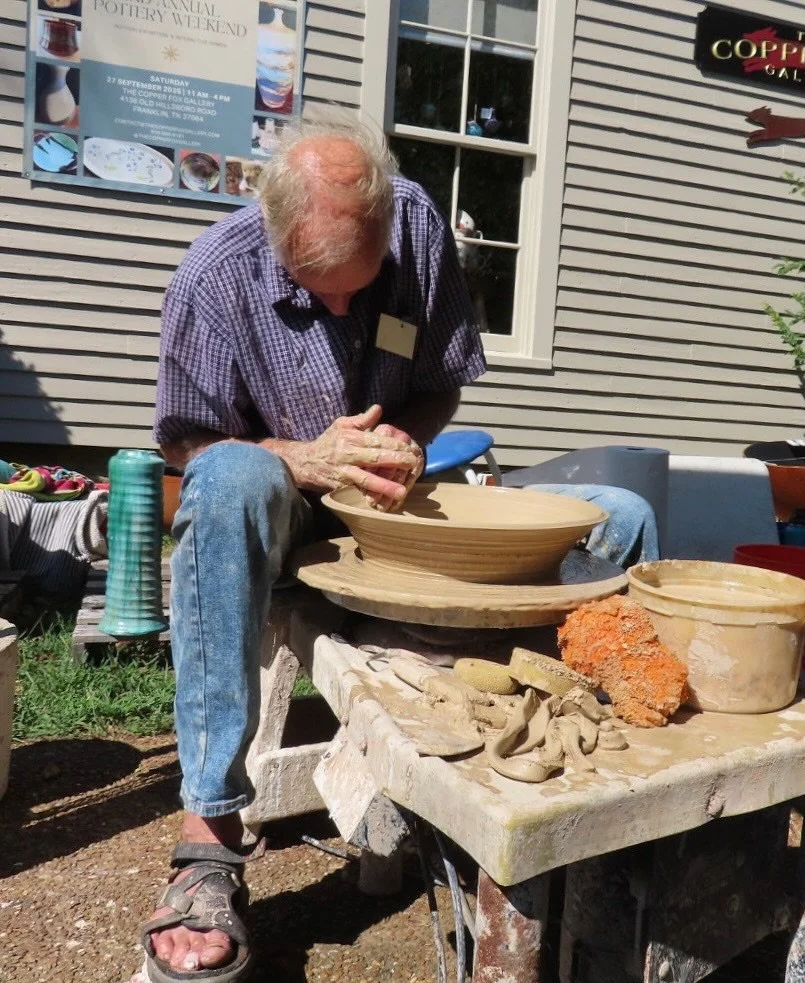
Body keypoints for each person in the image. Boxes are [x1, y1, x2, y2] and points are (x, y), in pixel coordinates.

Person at [142, 107, 657, 982]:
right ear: (272, 231)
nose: (342, 303)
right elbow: (190, 445)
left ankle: (610, 807)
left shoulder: (418, 227)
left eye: (360, 282)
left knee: (620, 511)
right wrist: (303, 457)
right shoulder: (213, 275)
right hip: (285, 503)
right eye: (317, 285)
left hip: (395, 497)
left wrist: (412, 438)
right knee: (231, 478)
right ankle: (209, 835)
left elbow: (440, 385)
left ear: (387, 219)